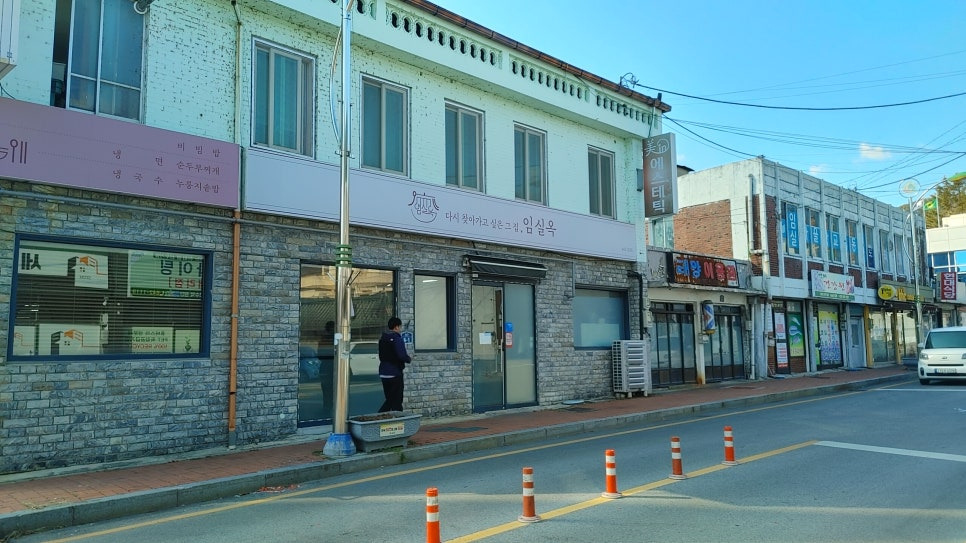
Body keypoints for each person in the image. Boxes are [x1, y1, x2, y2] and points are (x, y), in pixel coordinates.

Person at [377, 316, 411, 413]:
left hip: (384, 373)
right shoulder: (397, 339)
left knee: (390, 399)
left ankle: (387, 417)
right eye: (400, 327)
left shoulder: (383, 339)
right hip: (395, 373)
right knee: (396, 401)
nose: (400, 329)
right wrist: (409, 359)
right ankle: (380, 416)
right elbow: (402, 355)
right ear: (396, 327)